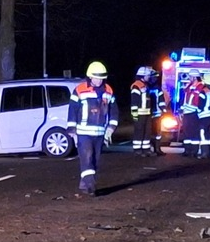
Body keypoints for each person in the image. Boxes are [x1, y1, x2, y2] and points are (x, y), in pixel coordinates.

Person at [66, 61, 118, 197]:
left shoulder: (109, 91)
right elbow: (72, 110)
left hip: (100, 133)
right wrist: (72, 130)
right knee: (87, 158)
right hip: (84, 132)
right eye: (96, 77)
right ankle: (90, 187)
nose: (99, 80)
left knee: (95, 160)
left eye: (101, 77)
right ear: (90, 77)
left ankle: (84, 185)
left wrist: (111, 128)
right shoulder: (79, 90)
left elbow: (114, 111)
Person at [129, 66, 166, 157]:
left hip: (147, 113)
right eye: (147, 75)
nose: (149, 77)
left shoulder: (146, 86)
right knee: (139, 132)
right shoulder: (136, 86)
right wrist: (135, 115)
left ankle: (146, 149)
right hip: (140, 114)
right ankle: (138, 150)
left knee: (147, 132)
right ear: (143, 76)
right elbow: (134, 101)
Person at [179, 72, 206, 157]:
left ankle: (194, 151)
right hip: (186, 113)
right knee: (186, 132)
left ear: (194, 77)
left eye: (191, 77)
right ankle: (187, 150)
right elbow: (185, 99)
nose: (189, 78)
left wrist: (198, 110)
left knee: (194, 133)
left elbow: (202, 101)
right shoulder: (189, 86)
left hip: (194, 113)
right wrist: (181, 109)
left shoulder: (201, 87)